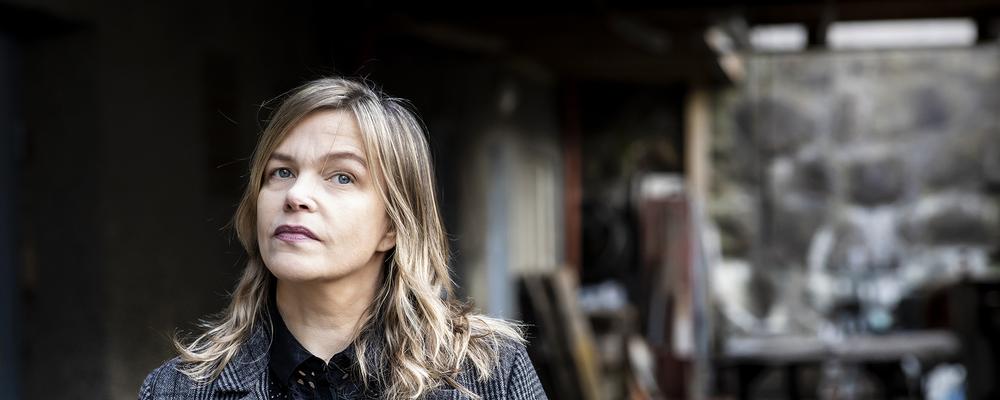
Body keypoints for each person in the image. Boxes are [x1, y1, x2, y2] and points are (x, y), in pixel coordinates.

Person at [139, 77, 547, 400]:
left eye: (342, 177)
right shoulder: (178, 389)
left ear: (393, 225)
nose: (296, 195)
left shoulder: (488, 372)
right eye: (281, 172)